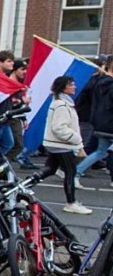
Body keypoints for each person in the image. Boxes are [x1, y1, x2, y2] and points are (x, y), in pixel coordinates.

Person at [35, 76, 91, 214]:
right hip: (61, 144)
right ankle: (71, 203)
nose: (74, 87)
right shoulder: (61, 104)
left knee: (50, 169)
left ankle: (21, 187)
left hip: (56, 143)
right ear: (64, 87)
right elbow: (59, 128)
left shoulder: (61, 102)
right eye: (71, 85)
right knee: (70, 171)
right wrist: (76, 138)